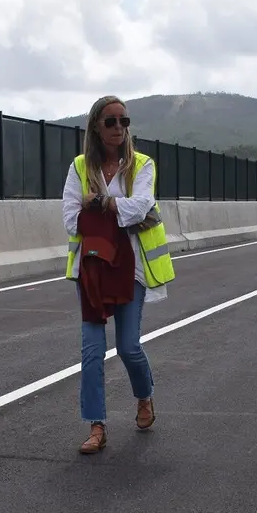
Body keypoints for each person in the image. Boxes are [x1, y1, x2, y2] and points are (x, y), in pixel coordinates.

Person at [61, 95, 175, 455]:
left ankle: (144, 396)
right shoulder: (79, 167)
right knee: (92, 351)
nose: (118, 128)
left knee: (127, 347)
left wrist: (101, 203)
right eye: (110, 121)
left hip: (132, 270)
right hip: (91, 269)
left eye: (124, 121)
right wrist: (116, 209)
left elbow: (142, 206)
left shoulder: (142, 165)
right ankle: (96, 426)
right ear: (96, 125)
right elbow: (69, 218)